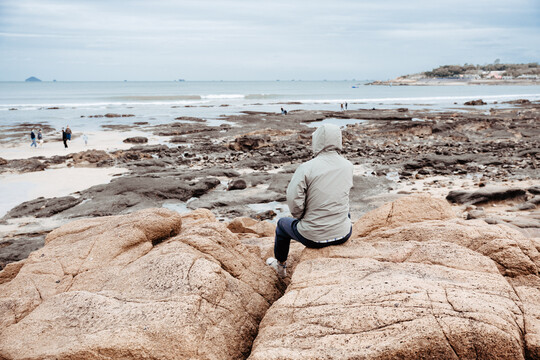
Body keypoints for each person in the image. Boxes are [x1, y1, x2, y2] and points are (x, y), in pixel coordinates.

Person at [266, 123, 354, 277]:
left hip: (313, 238)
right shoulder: (348, 165)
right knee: (345, 213)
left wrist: (300, 217)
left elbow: (294, 201)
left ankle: (280, 266)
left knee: (281, 225)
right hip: (344, 234)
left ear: (317, 141)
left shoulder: (307, 168)